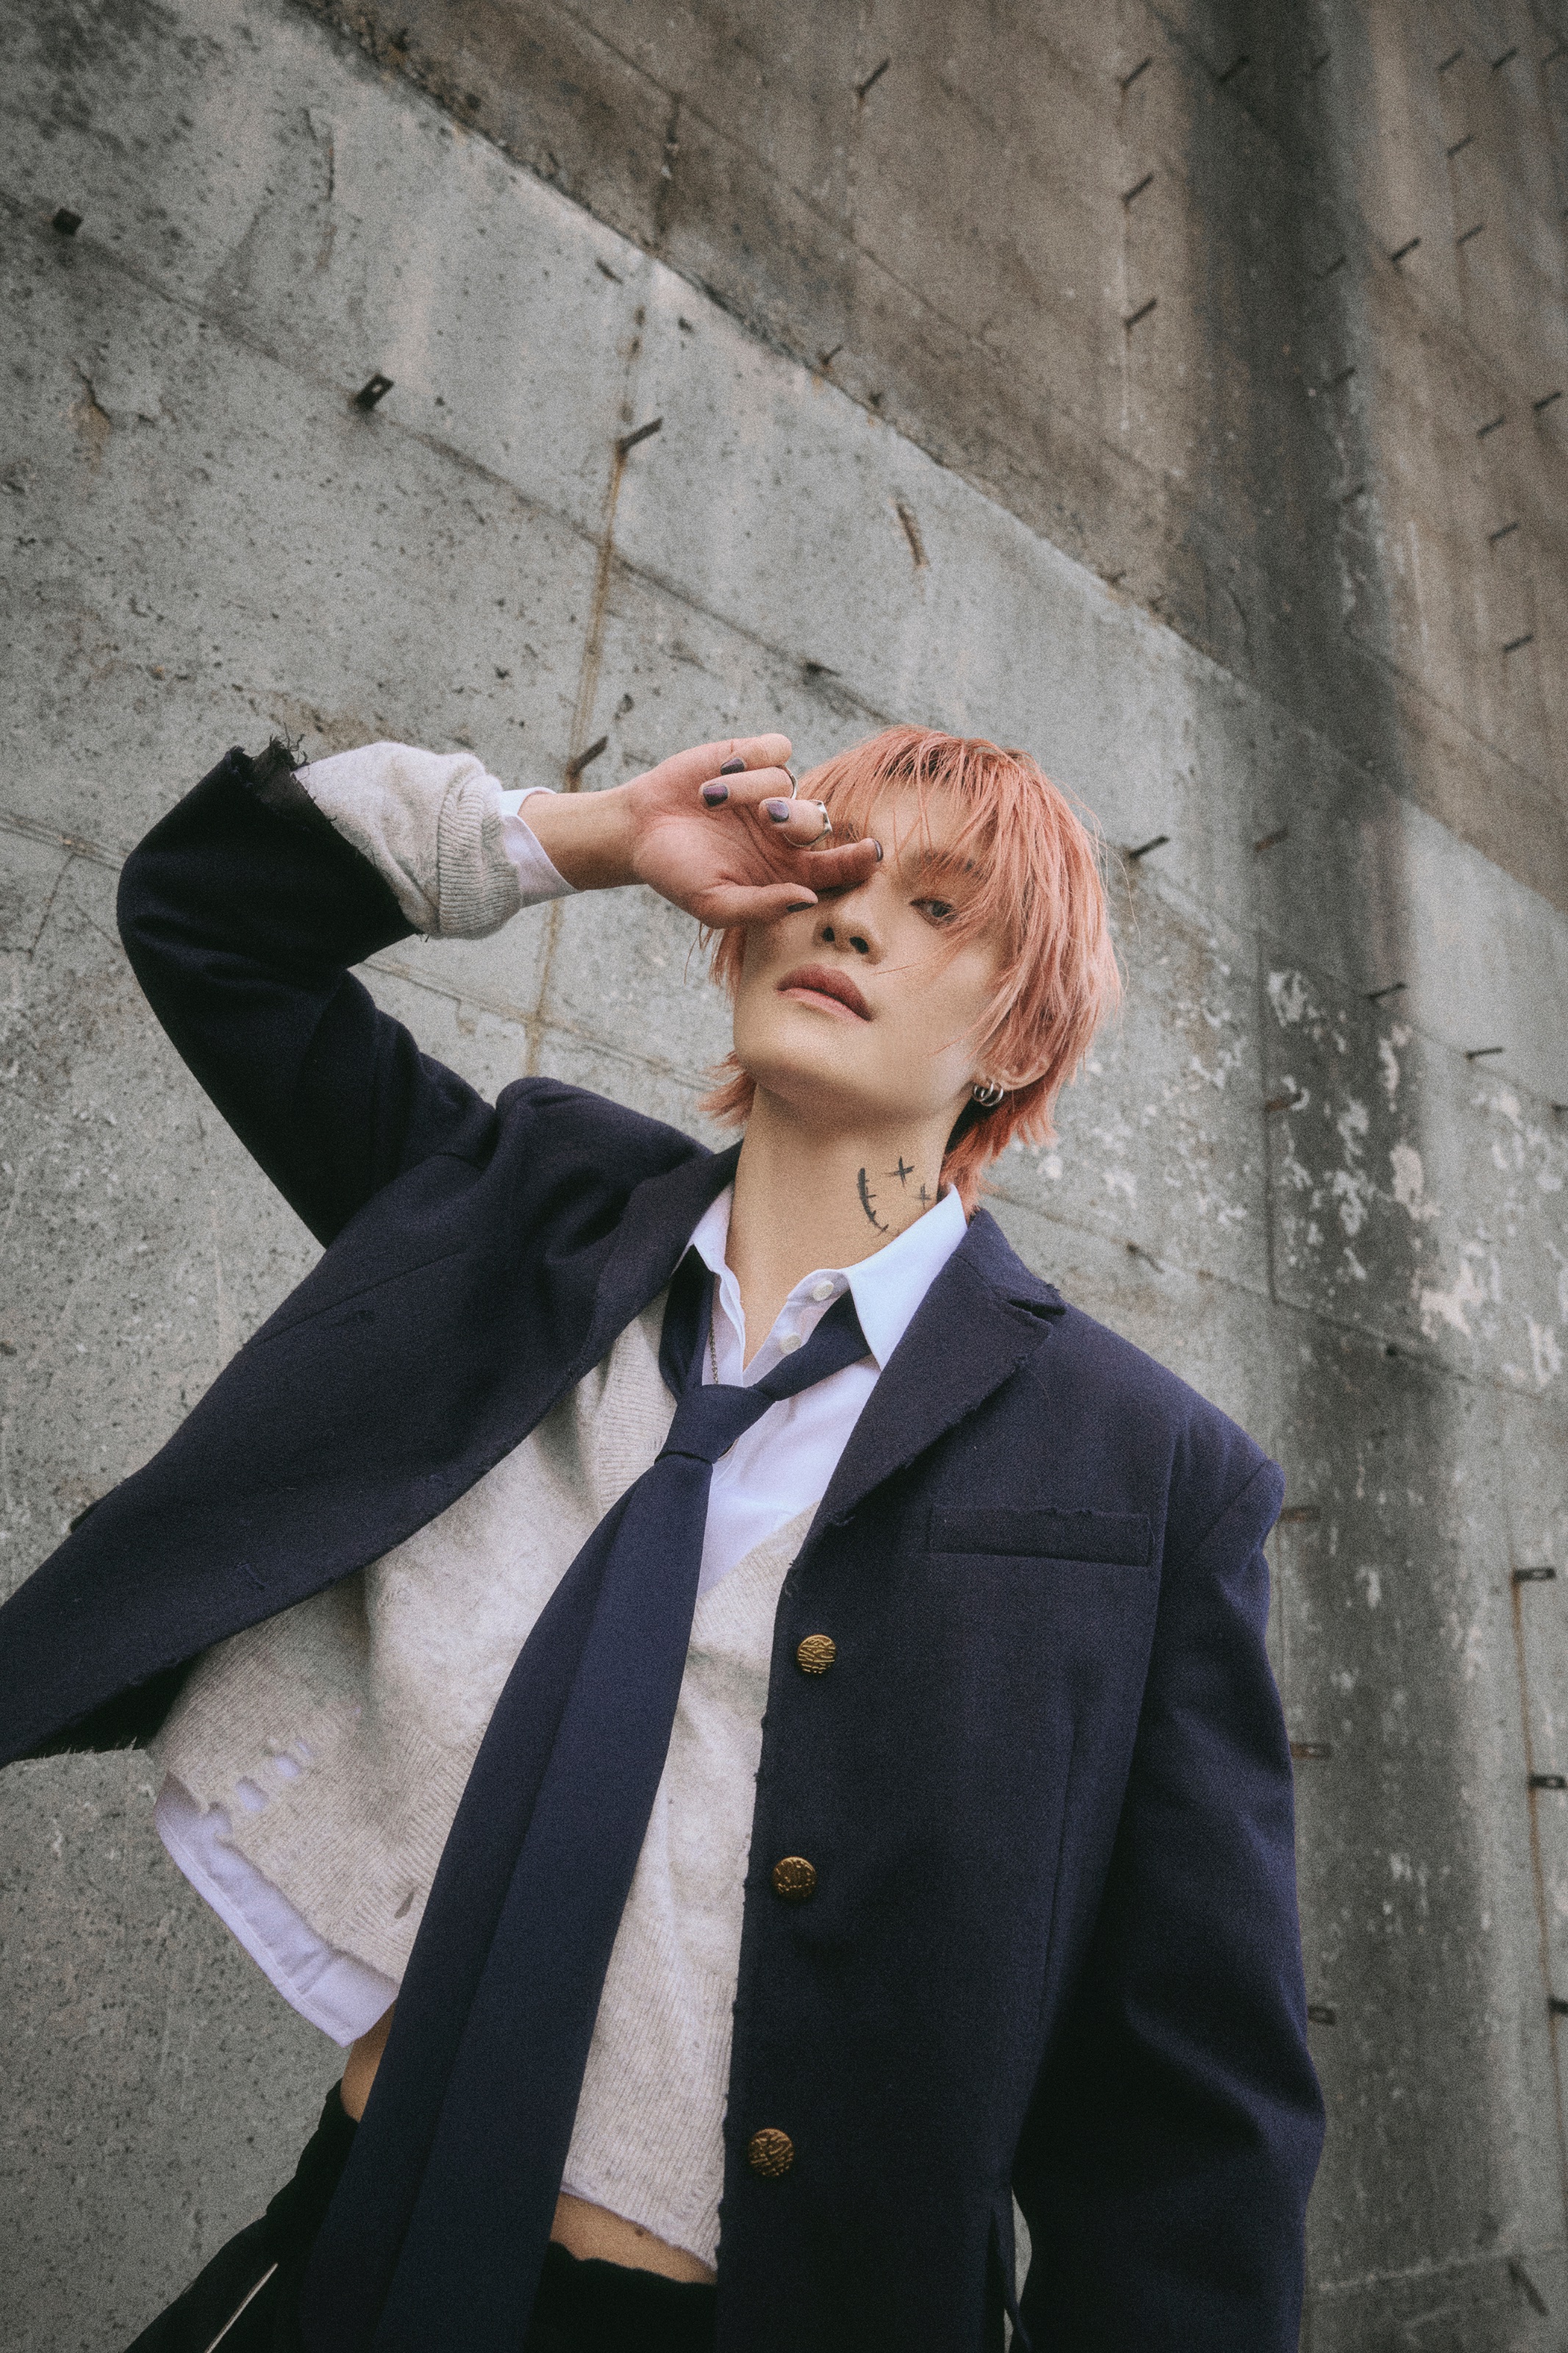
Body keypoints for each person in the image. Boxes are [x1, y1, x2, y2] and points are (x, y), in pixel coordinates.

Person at [0, 722, 1323, 2352]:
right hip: (337, 2247)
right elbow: (207, 917)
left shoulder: (1142, 1467)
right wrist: (591, 836)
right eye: (823, 871)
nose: (849, 919)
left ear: (1021, 1030)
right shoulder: (525, 1214)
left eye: (933, 909)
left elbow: (1188, 2121)